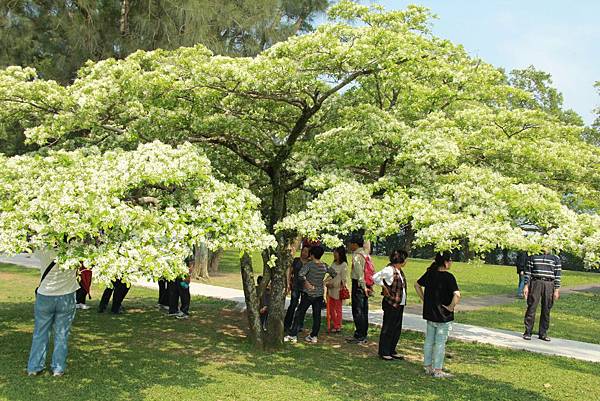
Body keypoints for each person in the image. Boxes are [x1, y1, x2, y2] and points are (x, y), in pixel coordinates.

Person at [27, 248, 79, 377]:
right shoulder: (76, 247)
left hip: (45, 295)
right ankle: (58, 368)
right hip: (66, 295)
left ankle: (34, 367)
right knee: (62, 334)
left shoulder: (43, 247)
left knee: (40, 333)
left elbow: (33, 251)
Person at [414, 252, 461, 378]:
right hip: (443, 316)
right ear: (445, 262)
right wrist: (451, 307)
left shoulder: (430, 274)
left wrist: (424, 299)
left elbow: (417, 285)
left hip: (430, 313)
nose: (451, 262)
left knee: (429, 340)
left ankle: (428, 366)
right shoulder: (449, 277)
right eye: (450, 260)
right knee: (440, 342)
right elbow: (457, 295)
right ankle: (438, 370)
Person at [284, 245, 337, 344]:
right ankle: (314, 336)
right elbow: (334, 273)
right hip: (319, 294)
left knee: (299, 313)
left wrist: (307, 283)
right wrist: (324, 281)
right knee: (317, 315)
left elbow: (300, 274)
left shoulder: (309, 265)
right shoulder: (324, 265)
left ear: (312, 255)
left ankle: (293, 334)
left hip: (308, 294)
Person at [374, 250, 408, 361]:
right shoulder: (389, 270)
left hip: (399, 304)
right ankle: (384, 351)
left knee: (396, 328)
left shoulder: (399, 271)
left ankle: (392, 350)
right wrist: (383, 287)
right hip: (391, 303)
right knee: (388, 327)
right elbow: (375, 277)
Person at [522, 250, 561, 341]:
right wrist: (526, 286)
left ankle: (543, 333)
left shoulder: (555, 258)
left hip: (549, 283)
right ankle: (528, 332)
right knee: (532, 307)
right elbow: (528, 272)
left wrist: (556, 289)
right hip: (536, 282)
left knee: (546, 309)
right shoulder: (533, 256)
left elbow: (558, 274)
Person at [346, 235, 371, 344]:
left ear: (355, 244)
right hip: (366, 284)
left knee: (358, 310)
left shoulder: (357, 255)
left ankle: (359, 335)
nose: (349, 245)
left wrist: (363, 286)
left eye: (351, 243)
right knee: (364, 310)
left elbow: (359, 273)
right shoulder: (365, 254)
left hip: (359, 285)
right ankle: (363, 333)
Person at [284, 245, 310, 333]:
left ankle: (299, 325)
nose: (304, 253)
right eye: (303, 251)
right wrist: (288, 284)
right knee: (293, 304)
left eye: (306, 251)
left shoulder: (310, 263)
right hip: (295, 286)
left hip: (305, 288)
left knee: (302, 307)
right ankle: (287, 324)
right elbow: (289, 271)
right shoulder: (296, 261)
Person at [325, 246, 348, 333]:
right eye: (334, 252)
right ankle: (333, 324)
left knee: (337, 309)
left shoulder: (344, 265)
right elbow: (330, 274)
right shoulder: (334, 264)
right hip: (330, 290)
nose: (334, 254)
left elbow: (343, 279)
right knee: (331, 308)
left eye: (336, 253)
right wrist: (326, 282)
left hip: (338, 290)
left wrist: (335, 285)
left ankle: (337, 326)